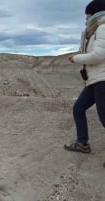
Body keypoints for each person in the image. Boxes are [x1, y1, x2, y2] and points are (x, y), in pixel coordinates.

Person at [64, 0, 105, 153]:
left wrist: (76, 58)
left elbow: (98, 55)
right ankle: (82, 143)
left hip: (103, 80)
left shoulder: (103, 28)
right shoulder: (92, 32)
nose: (86, 19)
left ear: (95, 13)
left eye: (87, 15)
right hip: (94, 79)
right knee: (78, 108)